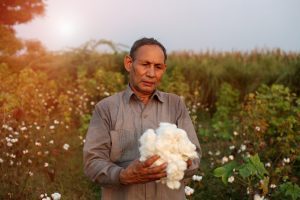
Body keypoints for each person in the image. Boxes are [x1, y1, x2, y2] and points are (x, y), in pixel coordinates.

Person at [83, 37, 201, 200]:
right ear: (129, 63)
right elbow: (92, 162)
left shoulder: (175, 105)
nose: (151, 73)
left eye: (158, 67)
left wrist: (184, 161)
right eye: (145, 65)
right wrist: (123, 175)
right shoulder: (106, 108)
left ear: (164, 69)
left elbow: (194, 156)